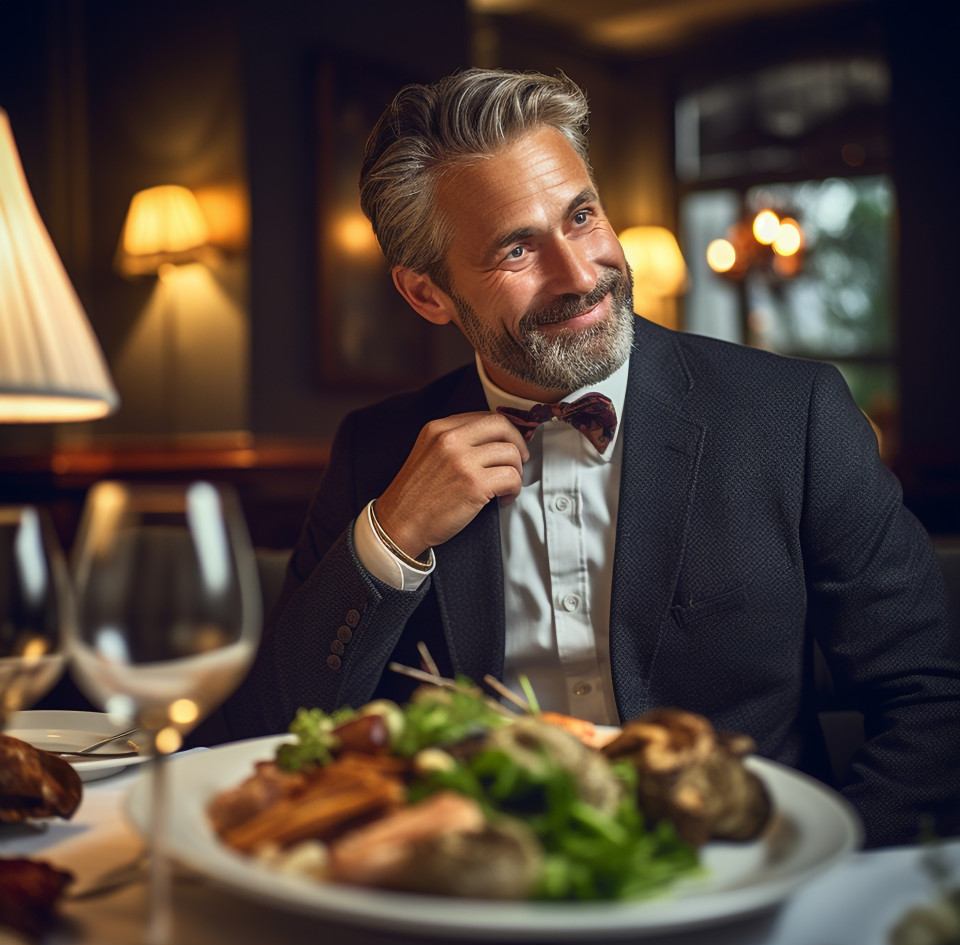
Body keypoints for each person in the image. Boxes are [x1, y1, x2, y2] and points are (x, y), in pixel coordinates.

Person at [229, 68, 960, 848]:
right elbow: (274, 730)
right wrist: (391, 536)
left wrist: (817, 887)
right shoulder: (374, 449)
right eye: (517, 248)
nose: (581, 275)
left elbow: (930, 704)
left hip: (736, 884)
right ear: (427, 295)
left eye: (581, 215)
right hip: (471, 896)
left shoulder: (795, 416)